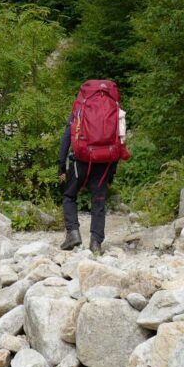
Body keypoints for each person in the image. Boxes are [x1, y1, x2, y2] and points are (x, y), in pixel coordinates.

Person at [59, 83, 127, 253]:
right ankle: (96, 243)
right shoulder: (114, 109)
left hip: (82, 159)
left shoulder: (80, 108)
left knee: (69, 195)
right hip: (106, 161)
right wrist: (111, 172)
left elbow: (67, 138)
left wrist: (61, 167)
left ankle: (73, 233)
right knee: (98, 201)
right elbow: (120, 140)